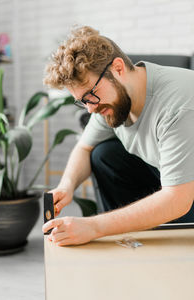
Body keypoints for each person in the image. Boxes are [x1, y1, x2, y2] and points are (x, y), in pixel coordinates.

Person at [42, 26, 194, 246]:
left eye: (91, 96)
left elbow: (178, 199)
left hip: (185, 192)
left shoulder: (178, 107)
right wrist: (67, 185)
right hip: (174, 179)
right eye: (83, 101)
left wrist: (94, 226)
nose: (90, 109)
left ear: (118, 68)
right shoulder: (112, 98)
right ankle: (128, 240)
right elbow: (84, 147)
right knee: (103, 154)